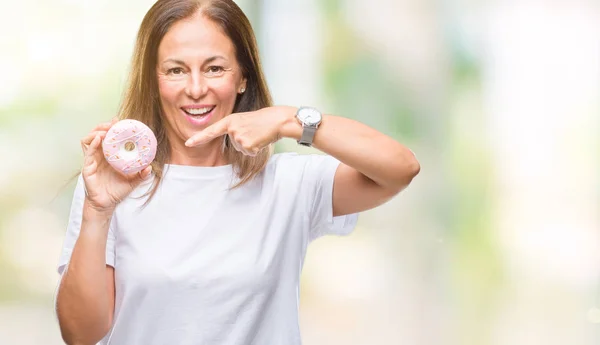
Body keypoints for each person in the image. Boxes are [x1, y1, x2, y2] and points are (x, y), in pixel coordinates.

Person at [54, 0, 420, 344]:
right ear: (155, 80)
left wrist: (289, 120)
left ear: (242, 77)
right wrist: (97, 212)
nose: (196, 89)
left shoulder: (290, 183)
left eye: (214, 68)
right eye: (176, 70)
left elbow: (400, 168)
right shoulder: (110, 187)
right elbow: (81, 335)